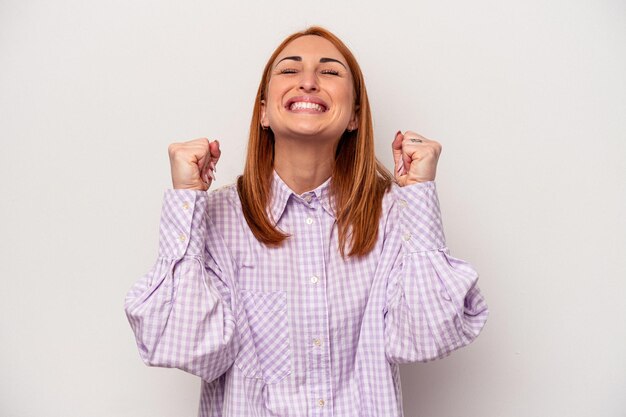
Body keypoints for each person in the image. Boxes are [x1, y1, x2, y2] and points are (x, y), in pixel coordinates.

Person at [124, 26, 489, 417]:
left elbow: (429, 336)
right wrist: (186, 199)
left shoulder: (396, 216)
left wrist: (417, 192)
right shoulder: (214, 218)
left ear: (354, 116)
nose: (309, 82)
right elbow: (185, 348)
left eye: (330, 72)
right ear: (263, 111)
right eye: (289, 71)